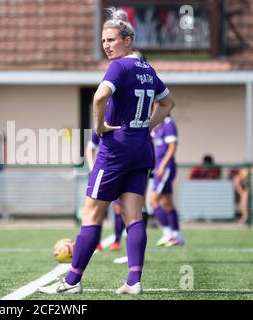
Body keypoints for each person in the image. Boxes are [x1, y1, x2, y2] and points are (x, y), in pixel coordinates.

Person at [39, 8, 175, 295]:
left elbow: (100, 96)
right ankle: (133, 281)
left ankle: (72, 282)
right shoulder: (148, 70)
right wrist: (147, 126)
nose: (107, 45)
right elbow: (168, 103)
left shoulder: (120, 67)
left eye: (112, 39)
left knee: (91, 214)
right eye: (103, 41)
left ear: (128, 39)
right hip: (140, 148)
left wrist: (100, 126)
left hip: (116, 150)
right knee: (132, 215)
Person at [149, 109, 184, 247]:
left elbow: (172, 147)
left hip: (165, 168)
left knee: (153, 201)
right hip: (159, 168)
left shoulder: (169, 124)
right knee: (167, 203)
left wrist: (163, 165)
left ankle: (168, 233)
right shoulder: (157, 125)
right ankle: (177, 236)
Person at [86, 131, 124, 252]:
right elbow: (90, 149)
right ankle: (96, 242)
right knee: (98, 210)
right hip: (103, 173)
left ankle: (117, 241)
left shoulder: (125, 127)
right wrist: (93, 169)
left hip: (120, 172)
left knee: (118, 208)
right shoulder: (101, 127)